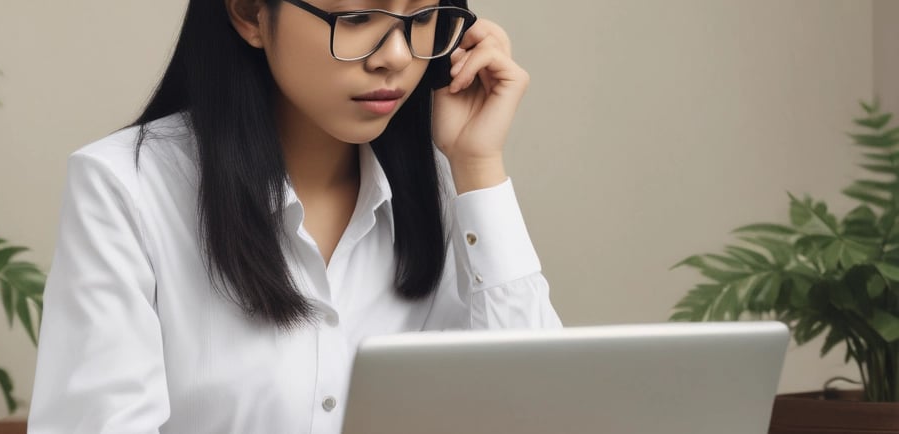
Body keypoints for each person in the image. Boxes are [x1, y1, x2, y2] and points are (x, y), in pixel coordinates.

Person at [27, 0, 561, 433]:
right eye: (355, 19)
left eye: (421, 19)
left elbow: (547, 411)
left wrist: (478, 165)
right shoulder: (128, 188)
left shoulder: (448, 193)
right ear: (250, 14)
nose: (396, 56)